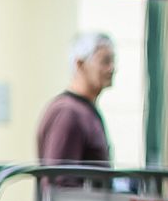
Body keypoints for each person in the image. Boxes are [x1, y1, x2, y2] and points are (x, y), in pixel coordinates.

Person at [35, 32, 116, 166]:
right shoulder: (67, 113)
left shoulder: (84, 110)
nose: (112, 68)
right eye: (105, 61)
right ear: (80, 64)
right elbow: (58, 182)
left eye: (113, 61)